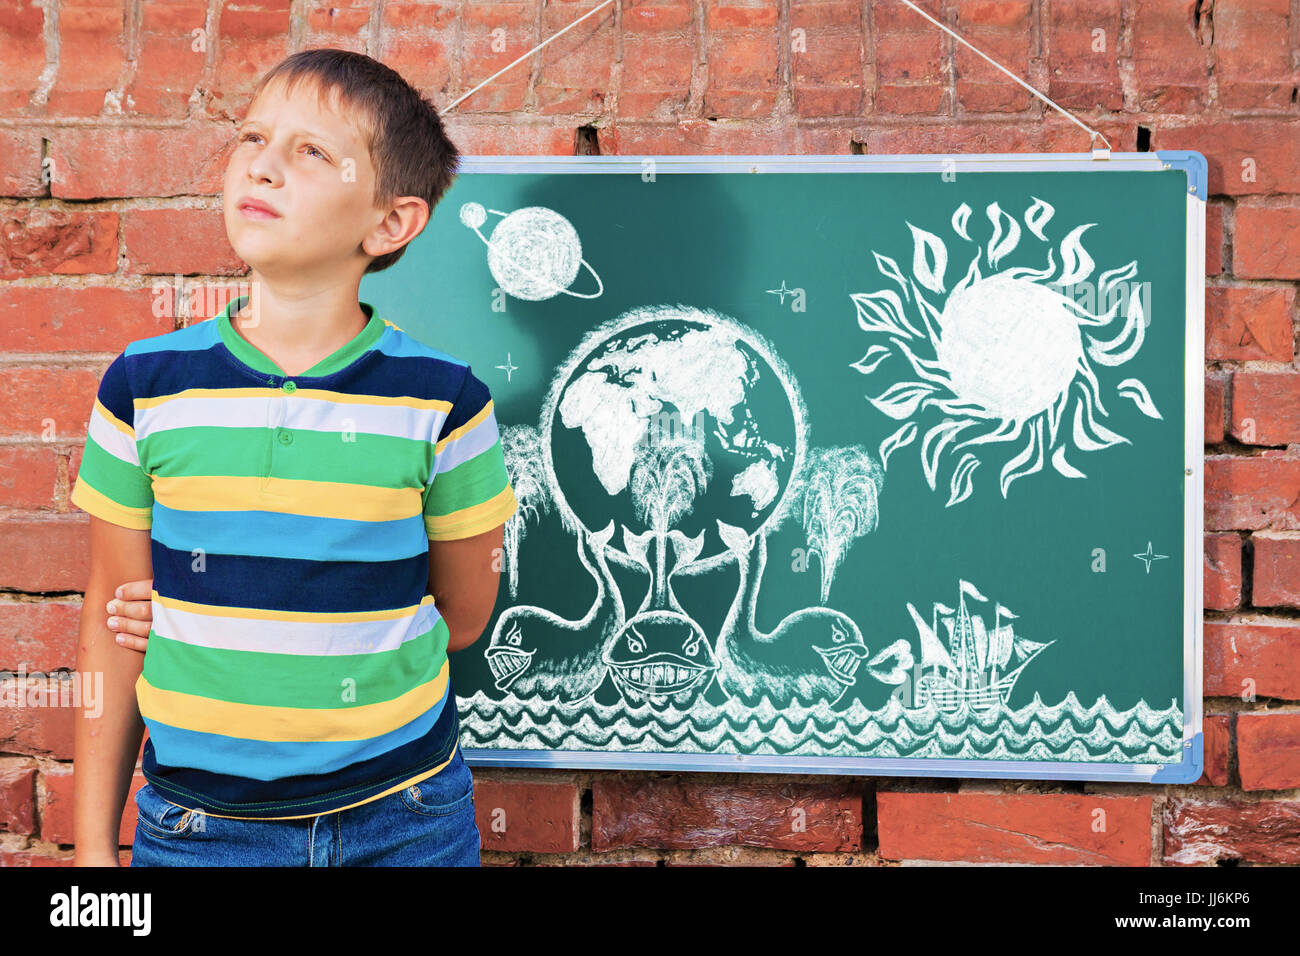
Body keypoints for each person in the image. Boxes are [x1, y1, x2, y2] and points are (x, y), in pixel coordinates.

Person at [69, 48, 517, 866]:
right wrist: (93, 851)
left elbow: (462, 615)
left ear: (392, 222)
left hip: (405, 818)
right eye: (251, 138)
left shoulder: (445, 403)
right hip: (198, 829)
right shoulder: (143, 386)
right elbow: (113, 621)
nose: (264, 166)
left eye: (311, 151)